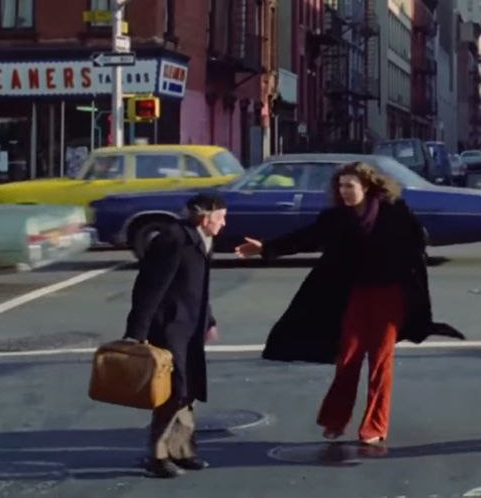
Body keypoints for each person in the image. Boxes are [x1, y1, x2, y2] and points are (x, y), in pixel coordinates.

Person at [236, 162, 463, 446]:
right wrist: (266, 248)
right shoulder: (336, 217)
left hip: (390, 295)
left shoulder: (394, 211)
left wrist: (409, 274)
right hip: (352, 294)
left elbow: (416, 244)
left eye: (349, 186)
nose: (344, 191)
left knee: (380, 361)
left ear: (366, 187)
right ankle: (335, 420)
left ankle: (375, 426)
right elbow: (306, 237)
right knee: (348, 357)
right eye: (340, 186)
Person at [124, 192, 225, 479]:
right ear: (205, 217)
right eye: (221, 218)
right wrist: (137, 332)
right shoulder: (173, 239)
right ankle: (157, 455)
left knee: (188, 389)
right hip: (168, 326)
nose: (224, 223)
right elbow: (149, 287)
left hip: (191, 325)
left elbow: (199, 287)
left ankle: (181, 450)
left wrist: (209, 320)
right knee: (174, 391)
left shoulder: (203, 240)